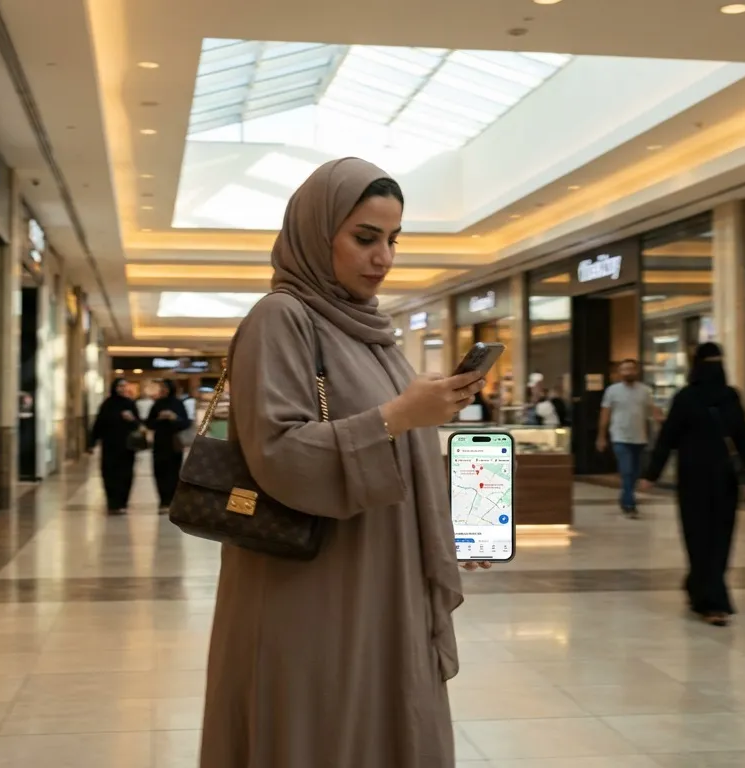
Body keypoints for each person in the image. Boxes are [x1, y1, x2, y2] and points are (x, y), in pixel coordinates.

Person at [200, 158, 488, 768]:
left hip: (382, 576)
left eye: (393, 240)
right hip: (312, 587)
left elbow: (395, 439)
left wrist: (438, 519)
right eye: (364, 237)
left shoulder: (372, 335)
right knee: (322, 725)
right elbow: (278, 452)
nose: (383, 258)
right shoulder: (280, 319)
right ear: (316, 231)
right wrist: (398, 416)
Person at [638, 343, 745, 626]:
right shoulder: (694, 398)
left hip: (716, 479)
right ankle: (710, 600)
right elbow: (668, 438)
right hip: (698, 480)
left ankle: (704, 590)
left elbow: (742, 438)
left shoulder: (722, 397)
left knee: (717, 538)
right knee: (701, 538)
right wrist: (651, 474)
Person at [596, 359, 659, 518]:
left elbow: (651, 411)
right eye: (624, 369)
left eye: (631, 369)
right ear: (619, 372)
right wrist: (601, 436)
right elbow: (605, 414)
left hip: (639, 437)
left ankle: (625, 498)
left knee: (635, 472)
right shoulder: (612, 391)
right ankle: (630, 504)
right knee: (627, 470)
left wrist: (659, 422)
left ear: (636, 371)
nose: (628, 372)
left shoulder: (645, 391)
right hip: (620, 436)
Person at [87, 379, 140, 515]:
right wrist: (92, 443)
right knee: (109, 473)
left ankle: (122, 502)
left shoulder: (130, 404)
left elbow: (137, 425)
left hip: (127, 446)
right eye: (119, 386)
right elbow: (98, 424)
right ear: (114, 387)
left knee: (125, 474)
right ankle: (112, 503)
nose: (122, 389)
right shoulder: (107, 404)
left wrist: (131, 420)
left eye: (124, 386)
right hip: (110, 445)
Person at [146, 378, 192, 514]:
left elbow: (185, 423)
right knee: (159, 471)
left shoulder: (178, 404)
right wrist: (159, 419)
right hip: (160, 443)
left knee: (173, 472)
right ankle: (163, 500)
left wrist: (174, 418)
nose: (163, 390)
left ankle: (172, 500)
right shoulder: (157, 404)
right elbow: (149, 424)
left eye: (165, 388)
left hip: (174, 444)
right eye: (162, 388)